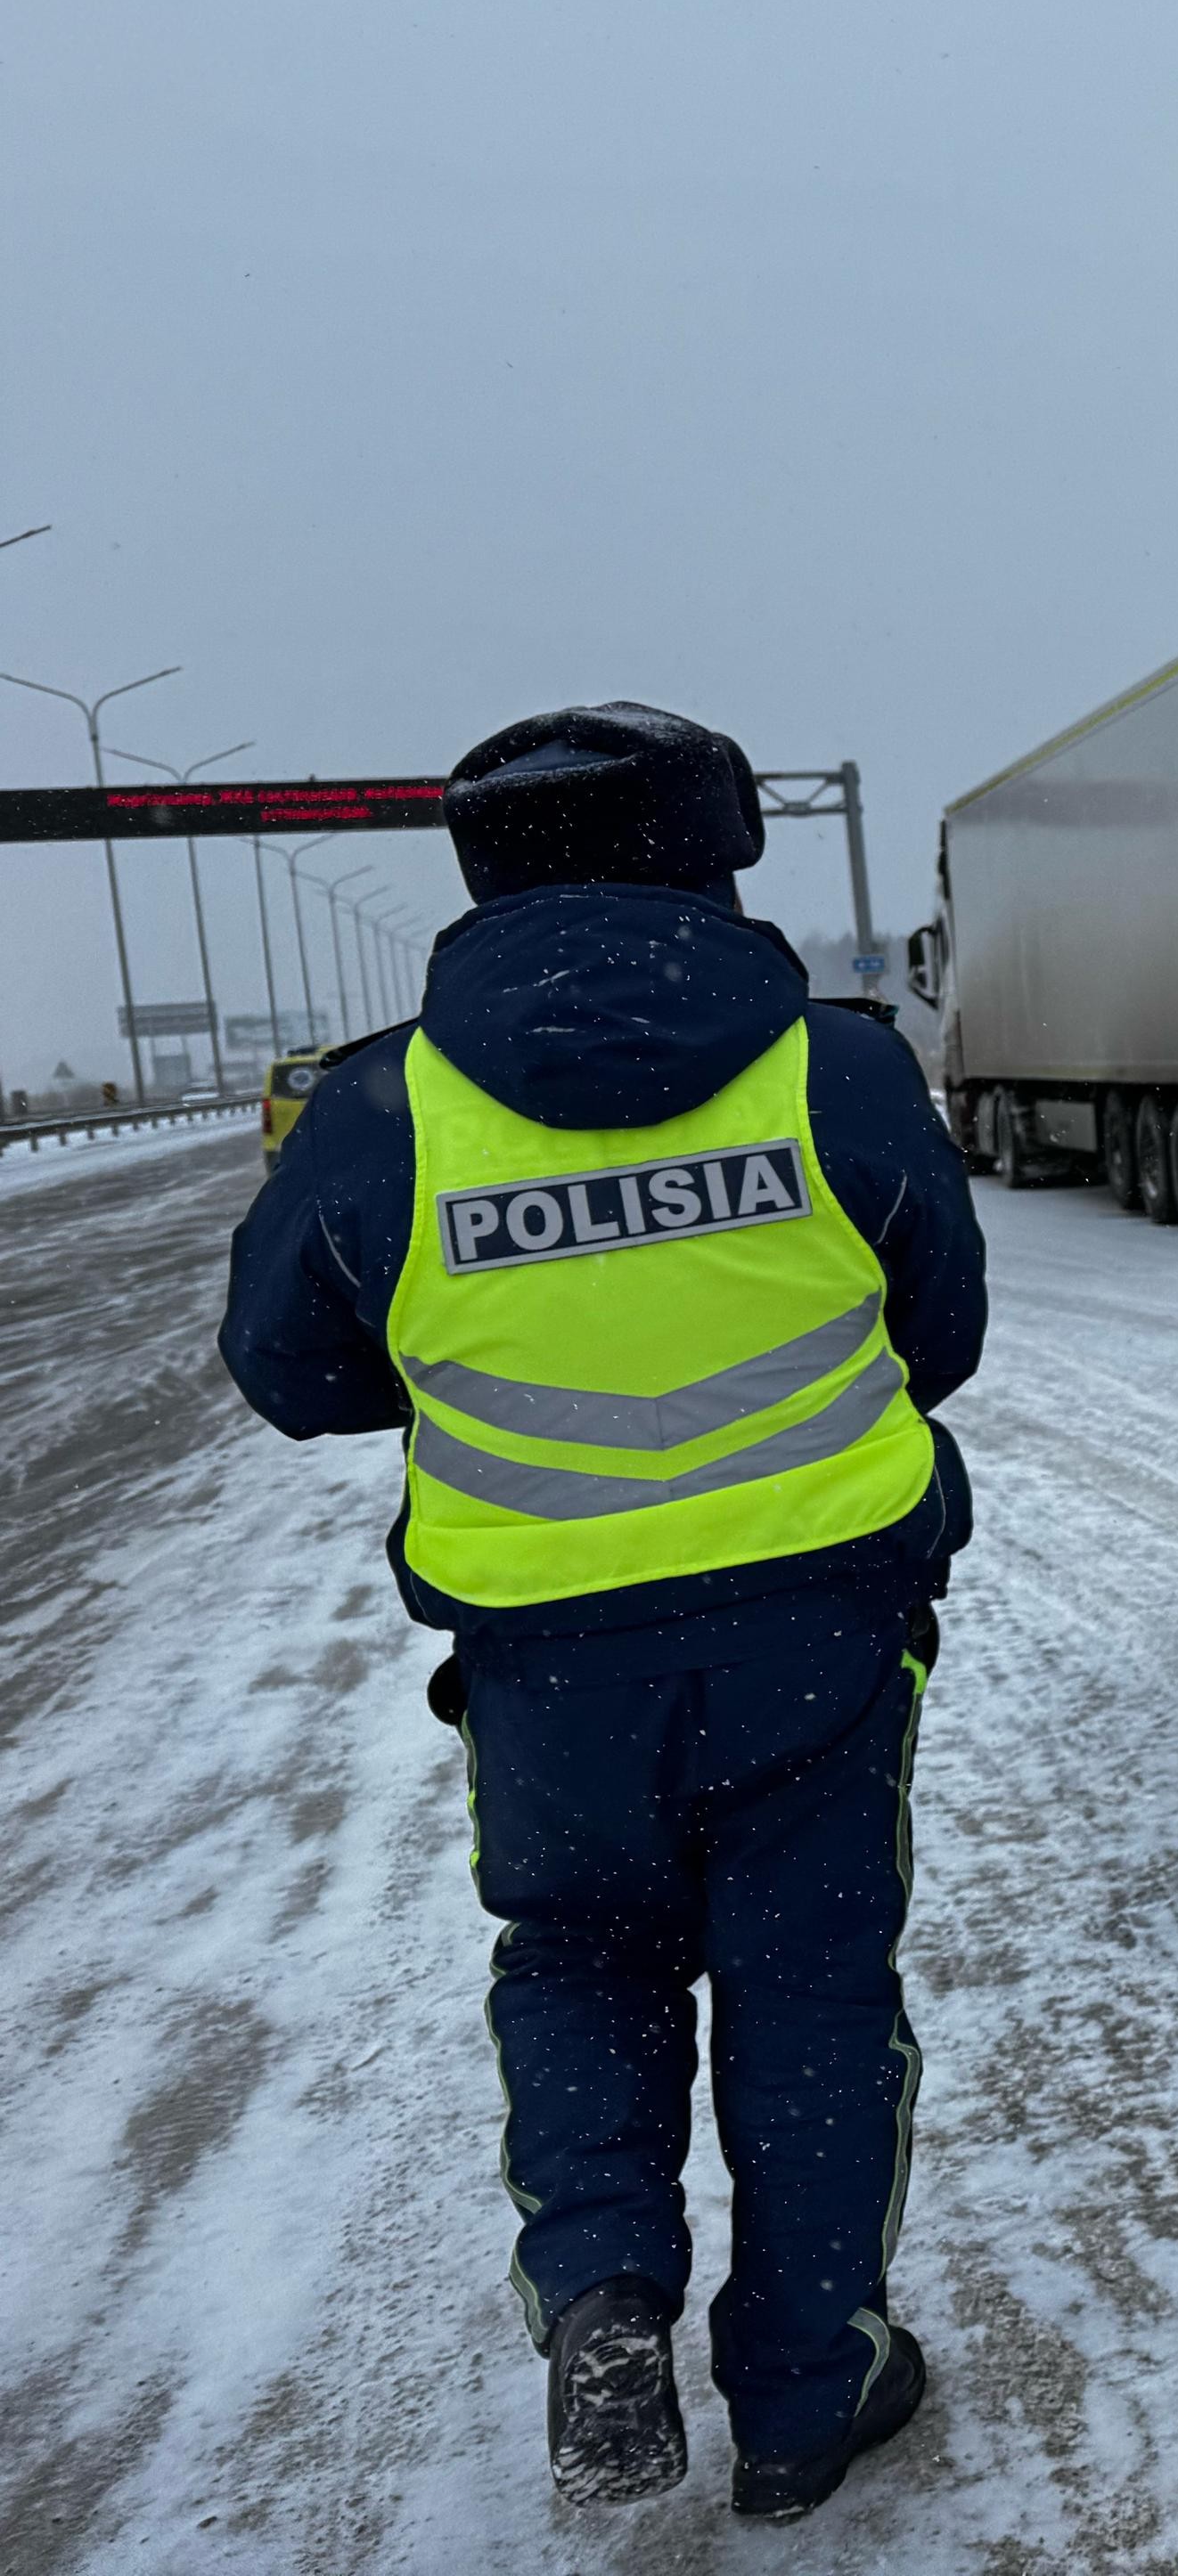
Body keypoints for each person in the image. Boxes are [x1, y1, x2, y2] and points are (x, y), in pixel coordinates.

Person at [220, 705, 986, 2519]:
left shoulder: (381, 1107)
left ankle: (602, 2288)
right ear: (714, 857)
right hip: (817, 1636)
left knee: (580, 1962)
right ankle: (807, 2395)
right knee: (807, 1995)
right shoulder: (837, 1071)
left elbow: (288, 1370)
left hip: (546, 1663)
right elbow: (934, 1331)